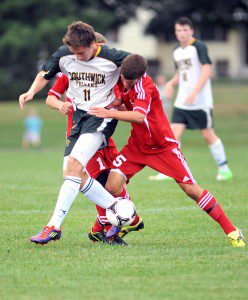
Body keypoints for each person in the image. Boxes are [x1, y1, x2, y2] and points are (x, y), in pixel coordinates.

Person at [89, 54, 245, 247]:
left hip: (163, 148)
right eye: (123, 79)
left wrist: (110, 112)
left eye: (129, 82)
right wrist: (116, 102)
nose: (125, 84)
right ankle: (123, 222)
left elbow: (138, 116)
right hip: (137, 147)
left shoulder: (146, 87)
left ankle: (232, 231)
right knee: (112, 186)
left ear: (139, 77)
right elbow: (126, 97)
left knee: (191, 190)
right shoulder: (128, 81)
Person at [21, 21, 134, 245]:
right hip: (78, 119)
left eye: (81, 53)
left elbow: (138, 67)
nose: (78, 58)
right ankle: (116, 207)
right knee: (73, 175)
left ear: (93, 44)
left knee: (74, 167)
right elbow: (45, 74)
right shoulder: (64, 54)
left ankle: (53, 226)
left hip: (100, 118)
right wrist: (31, 91)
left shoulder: (113, 56)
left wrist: (127, 97)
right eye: (74, 53)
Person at [45, 71, 143, 245]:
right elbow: (50, 98)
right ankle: (110, 229)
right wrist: (60, 105)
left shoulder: (108, 73)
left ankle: (105, 226)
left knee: (116, 182)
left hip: (104, 135)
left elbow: (120, 101)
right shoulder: (72, 71)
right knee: (99, 180)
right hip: (82, 137)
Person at [149, 17, 233, 182]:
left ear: (191, 31)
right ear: (175, 32)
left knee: (207, 134)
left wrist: (195, 92)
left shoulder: (199, 47)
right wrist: (170, 84)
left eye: (184, 30)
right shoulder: (176, 51)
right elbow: (181, 73)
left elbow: (206, 71)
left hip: (200, 102)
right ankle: (170, 171)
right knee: (173, 135)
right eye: (178, 30)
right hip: (182, 102)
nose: (181, 33)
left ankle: (224, 169)